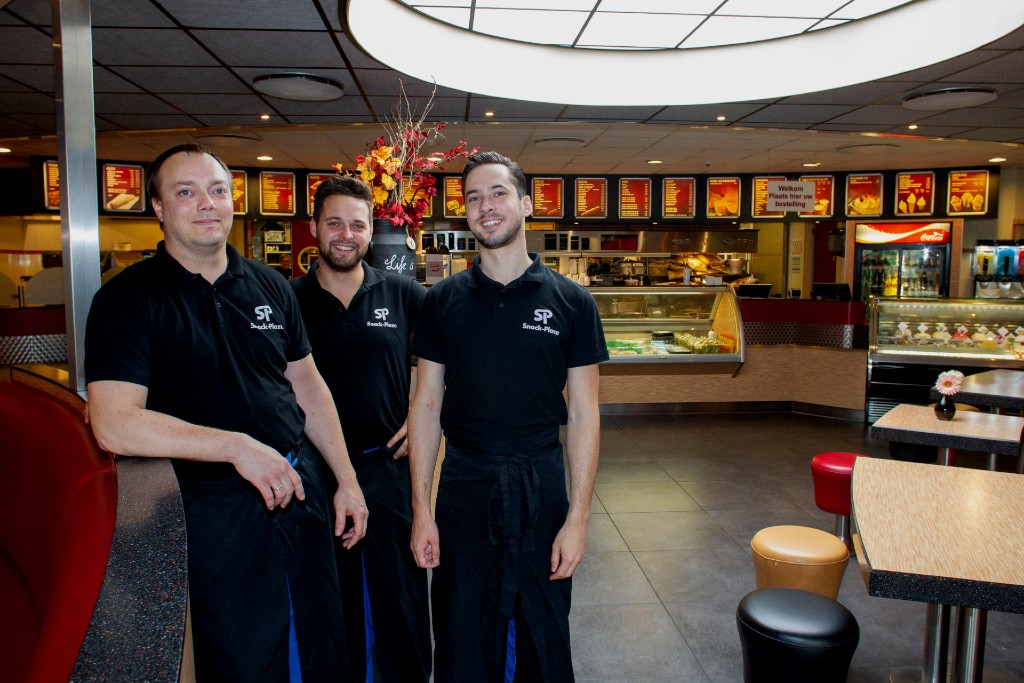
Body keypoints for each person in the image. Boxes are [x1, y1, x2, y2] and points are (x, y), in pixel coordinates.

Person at [84, 142, 368, 682]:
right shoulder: (127, 300)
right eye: (186, 192)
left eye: (218, 190)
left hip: (298, 491)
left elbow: (307, 385)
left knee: (321, 640)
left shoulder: (270, 286)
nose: (207, 204)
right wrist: (236, 447)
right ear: (159, 208)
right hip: (207, 512)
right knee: (241, 655)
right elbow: (114, 421)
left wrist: (347, 480)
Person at [408, 151, 608, 681]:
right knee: (460, 627)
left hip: (539, 483)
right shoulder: (442, 301)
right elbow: (426, 405)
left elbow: (585, 413)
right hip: (464, 485)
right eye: (473, 197)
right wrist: (422, 512)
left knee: (544, 626)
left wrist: (578, 521)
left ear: (524, 204)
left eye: (497, 193)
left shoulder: (572, 302)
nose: (485, 206)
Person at [290, 175, 431, 682]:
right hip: (313, 476)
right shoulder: (288, 300)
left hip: (386, 470)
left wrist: (425, 418)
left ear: (371, 232)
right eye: (334, 223)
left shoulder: (402, 294)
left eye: (357, 224)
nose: (346, 234)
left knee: (402, 599)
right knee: (329, 599)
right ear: (314, 229)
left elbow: (457, 362)